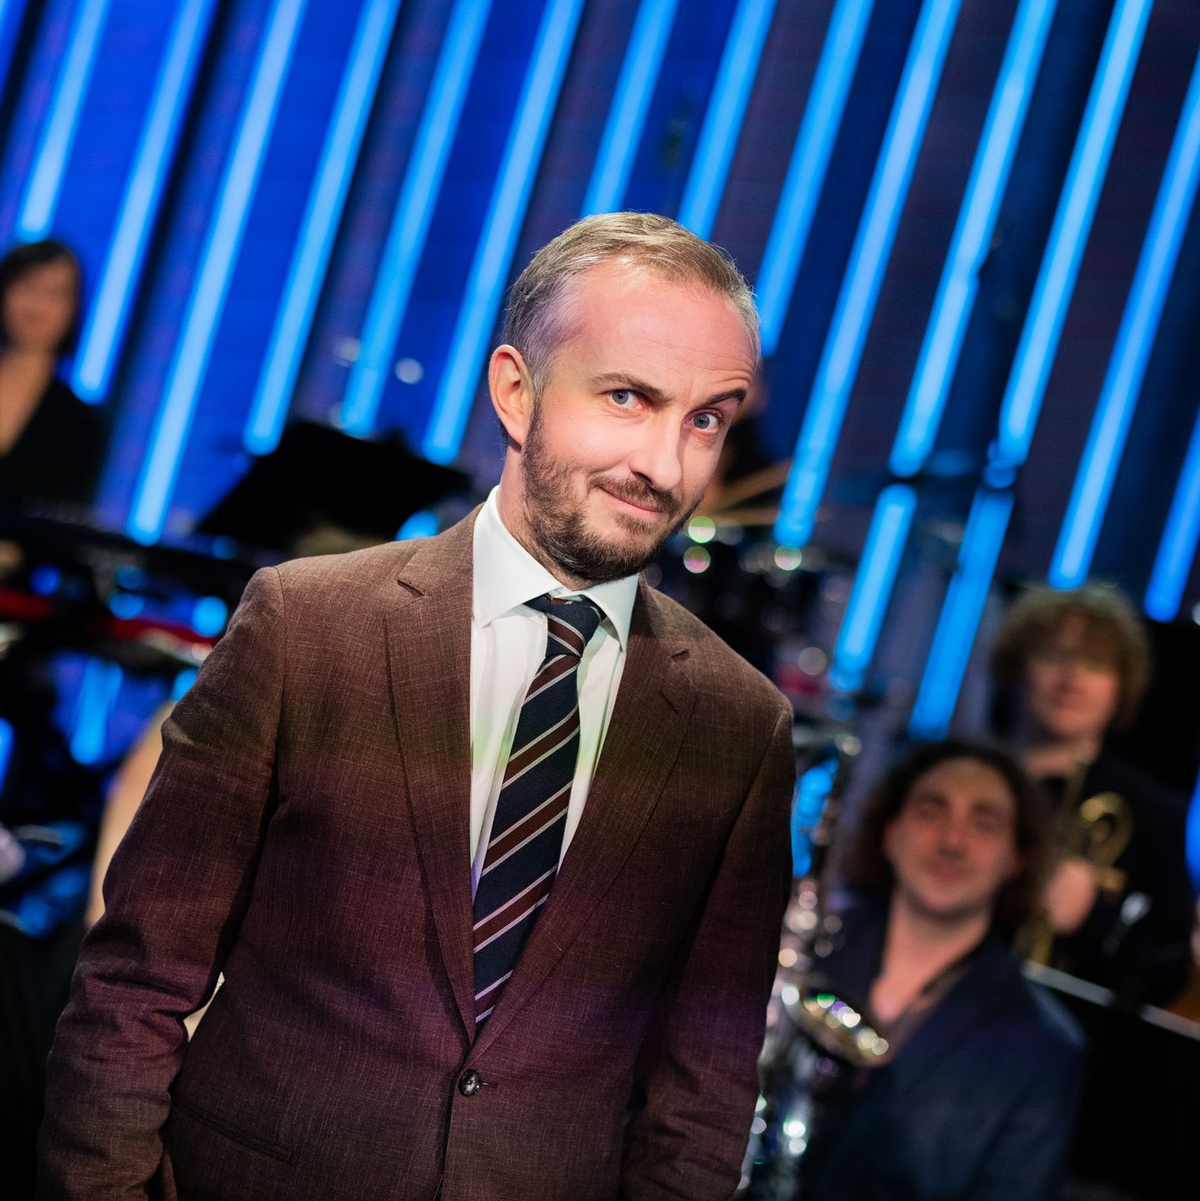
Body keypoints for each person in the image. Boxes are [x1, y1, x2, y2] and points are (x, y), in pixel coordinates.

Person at [38, 212, 796, 1200]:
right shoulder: (305, 627)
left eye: (707, 418)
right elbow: (138, 980)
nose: (666, 465)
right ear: (516, 391)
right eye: (628, 397)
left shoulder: (739, 729)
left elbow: (701, 1098)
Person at [797, 739, 1084, 1201]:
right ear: (890, 833)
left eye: (984, 824)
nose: (952, 842)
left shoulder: (1043, 1049)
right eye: (932, 812)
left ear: (1017, 858)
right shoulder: (799, 950)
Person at [989, 585, 1195, 1003]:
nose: (1072, 678)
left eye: (1095, 663)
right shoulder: (957, 782)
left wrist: (1091, 918)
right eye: (1054, 656)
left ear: (1122, 685)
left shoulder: (1158, 817)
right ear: (1016, 667)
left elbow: (1166, 978)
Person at [0, 239, 105, 515]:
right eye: (29, 287)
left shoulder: (81, 424)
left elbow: (63, 531)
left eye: (56, 293)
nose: (38, 304)